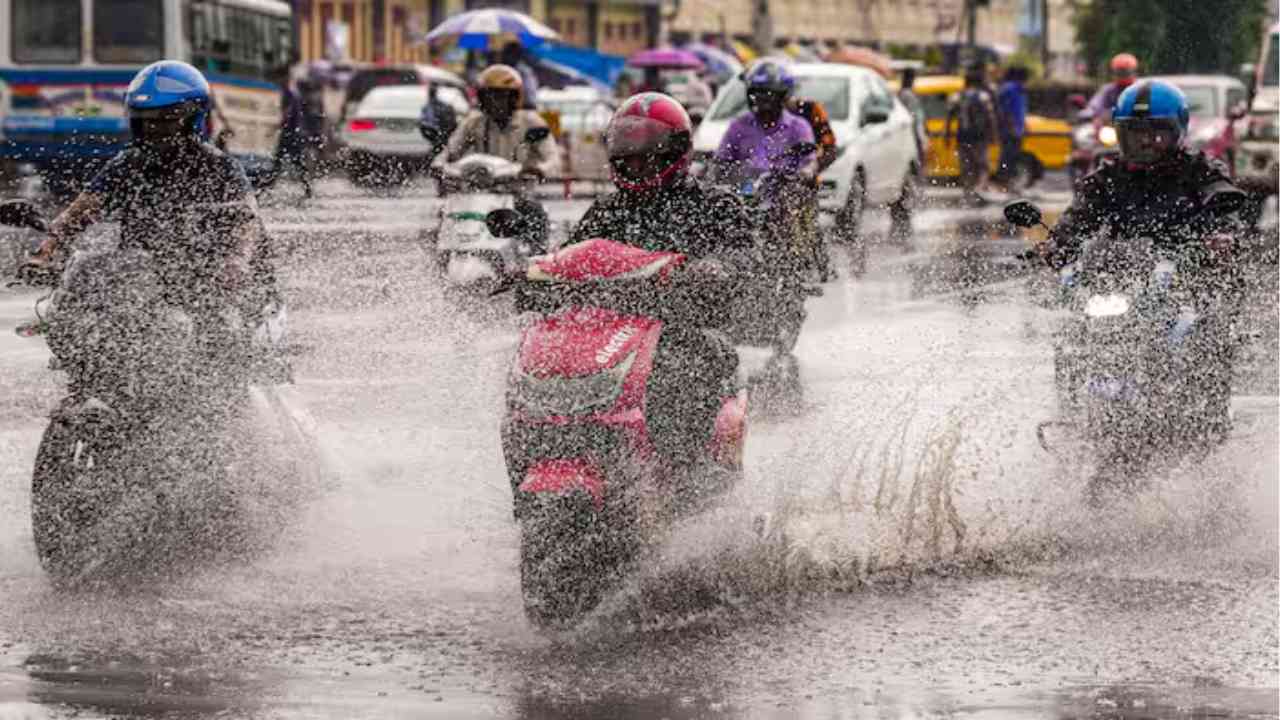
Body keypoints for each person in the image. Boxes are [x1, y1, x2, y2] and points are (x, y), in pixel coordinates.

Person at [25, 60, 276, 364]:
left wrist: (236, 262)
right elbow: (81, 209)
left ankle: (230, 379)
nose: (153, 130)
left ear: (191, 119)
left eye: (163, 121)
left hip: (206, 277)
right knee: (81, 318)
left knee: (223, 337)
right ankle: (84, 387)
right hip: (138, 277)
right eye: (144, 121)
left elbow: (246, 221)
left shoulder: (220, 167)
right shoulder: (127, 164)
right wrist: (46, 250)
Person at [1042, 80, 1245, 438]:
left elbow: (1224, 201)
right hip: (1126, 275)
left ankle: (1208, 420)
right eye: (1134, 133)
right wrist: (1055, 245)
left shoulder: (1199, 170)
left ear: (1177, 131)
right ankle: (1073, 413)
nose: (1144, 142)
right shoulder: (1106, 178)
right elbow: (1078, 216)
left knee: (1209, 325)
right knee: (1073, 329)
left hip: (1185, 276)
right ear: (1121, 135)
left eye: (1156, 133)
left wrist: (1222, 235)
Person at [566, 93, 754, 468]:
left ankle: (685, 474)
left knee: (675, 375)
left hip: (688, 329)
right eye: (628, 151)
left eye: (647, 153)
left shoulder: (714, 205)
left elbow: (745, 254)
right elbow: (571, 256)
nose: (636, 162)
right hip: (609, 337)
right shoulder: (605, 212)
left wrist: (717, 268)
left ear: (677, 152)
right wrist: (531, 273)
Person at [442, 64, 558, 254]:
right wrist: (440, 165)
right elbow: (451, 150)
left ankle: (537, 260)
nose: (496, 102)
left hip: (516, 193)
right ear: (482, 98)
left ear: (514, 98)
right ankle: (443, 256)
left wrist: (538, 169)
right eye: (490, 96)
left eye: (502, 96)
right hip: (478, 192)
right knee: (446, 213)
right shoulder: (473, 122)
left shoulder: (531, 122)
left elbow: (553, 158)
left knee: (535, 213)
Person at [785, 90, 838, 280]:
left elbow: (830, 148)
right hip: (761, 183)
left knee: (808, 226)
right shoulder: (749, 119)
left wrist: (811, 169)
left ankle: (820, 266)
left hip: (802, 184)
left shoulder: (810, 109)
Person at [945, 65, 999, 205]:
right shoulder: (983, 96)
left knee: (966, 167)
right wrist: (993, 135)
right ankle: (979, 189)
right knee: (982, 167)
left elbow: (950, 117)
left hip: (962, 138)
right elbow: (990, 117)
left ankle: (968, 194)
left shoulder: (957, 96)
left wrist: (947, 134)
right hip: (979, 138)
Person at [994, 65, 1029, 191]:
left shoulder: (1019, 90)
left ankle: (1008, 184)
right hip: (1009, 130)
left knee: (1013, 157)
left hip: (1017, 129)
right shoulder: (1009, 89)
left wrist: (1024, 125)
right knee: (1007, 156)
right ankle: (1002, 183)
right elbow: (1006, 111)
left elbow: (1020, 110)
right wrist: (1012, 127)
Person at [1086, 52, 1139, 126]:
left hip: (1138, 128)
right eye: (1119, 72)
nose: (1123, 76)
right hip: (1111, 128)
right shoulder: (1108, 90)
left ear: (1134, 72)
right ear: (1113, 72)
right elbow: (1095, 104)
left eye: (1126, 72)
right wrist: (1090, 112)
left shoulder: (1141, 89)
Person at [418, 82, 459, 161]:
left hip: (440, 136)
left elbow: (425, 123)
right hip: (439, 136)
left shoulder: (437, 106)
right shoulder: (428, 107)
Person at [898, 66, 928, 167]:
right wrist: (921, 136)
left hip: (913, 134)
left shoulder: (905, 93)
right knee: (916, 164)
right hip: (912, 135)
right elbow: (914, 117)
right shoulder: (906, 95)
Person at [499, 43, 539, 109]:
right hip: (526, 104)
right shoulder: (524, 70)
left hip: (524, 105)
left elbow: (526, 90)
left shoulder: (520, 71)